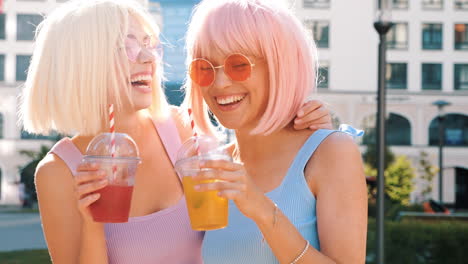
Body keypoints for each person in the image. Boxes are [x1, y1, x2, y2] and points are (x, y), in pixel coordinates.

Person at [19, 0, 332, 263]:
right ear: (80, 63)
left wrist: (302, 126)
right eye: (126, 47)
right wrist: (92, 224)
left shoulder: (184, 127)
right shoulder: (58, 173)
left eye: (148, 45)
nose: (148, 58)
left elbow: (255, 171)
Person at [183, 0, 368, 263]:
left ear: (279, 67)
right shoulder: (212, 169)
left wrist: (261, 208)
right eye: (205, 69)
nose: (220, 83)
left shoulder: (330, 152)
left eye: (238, 65)